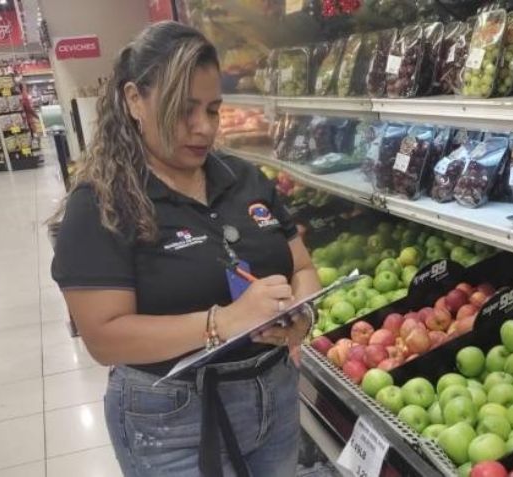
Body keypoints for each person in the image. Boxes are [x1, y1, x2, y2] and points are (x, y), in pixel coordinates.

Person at [50, 21, 319, 477]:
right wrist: (224, 322)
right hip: (172, 421)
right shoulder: (102, 202)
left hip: (275, 395)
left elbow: (303, 267)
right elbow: (103, 337)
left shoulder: (245, 179)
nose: (203, 128)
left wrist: (301, 316)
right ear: (135, 100)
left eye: (213, 110)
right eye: (183, 110)